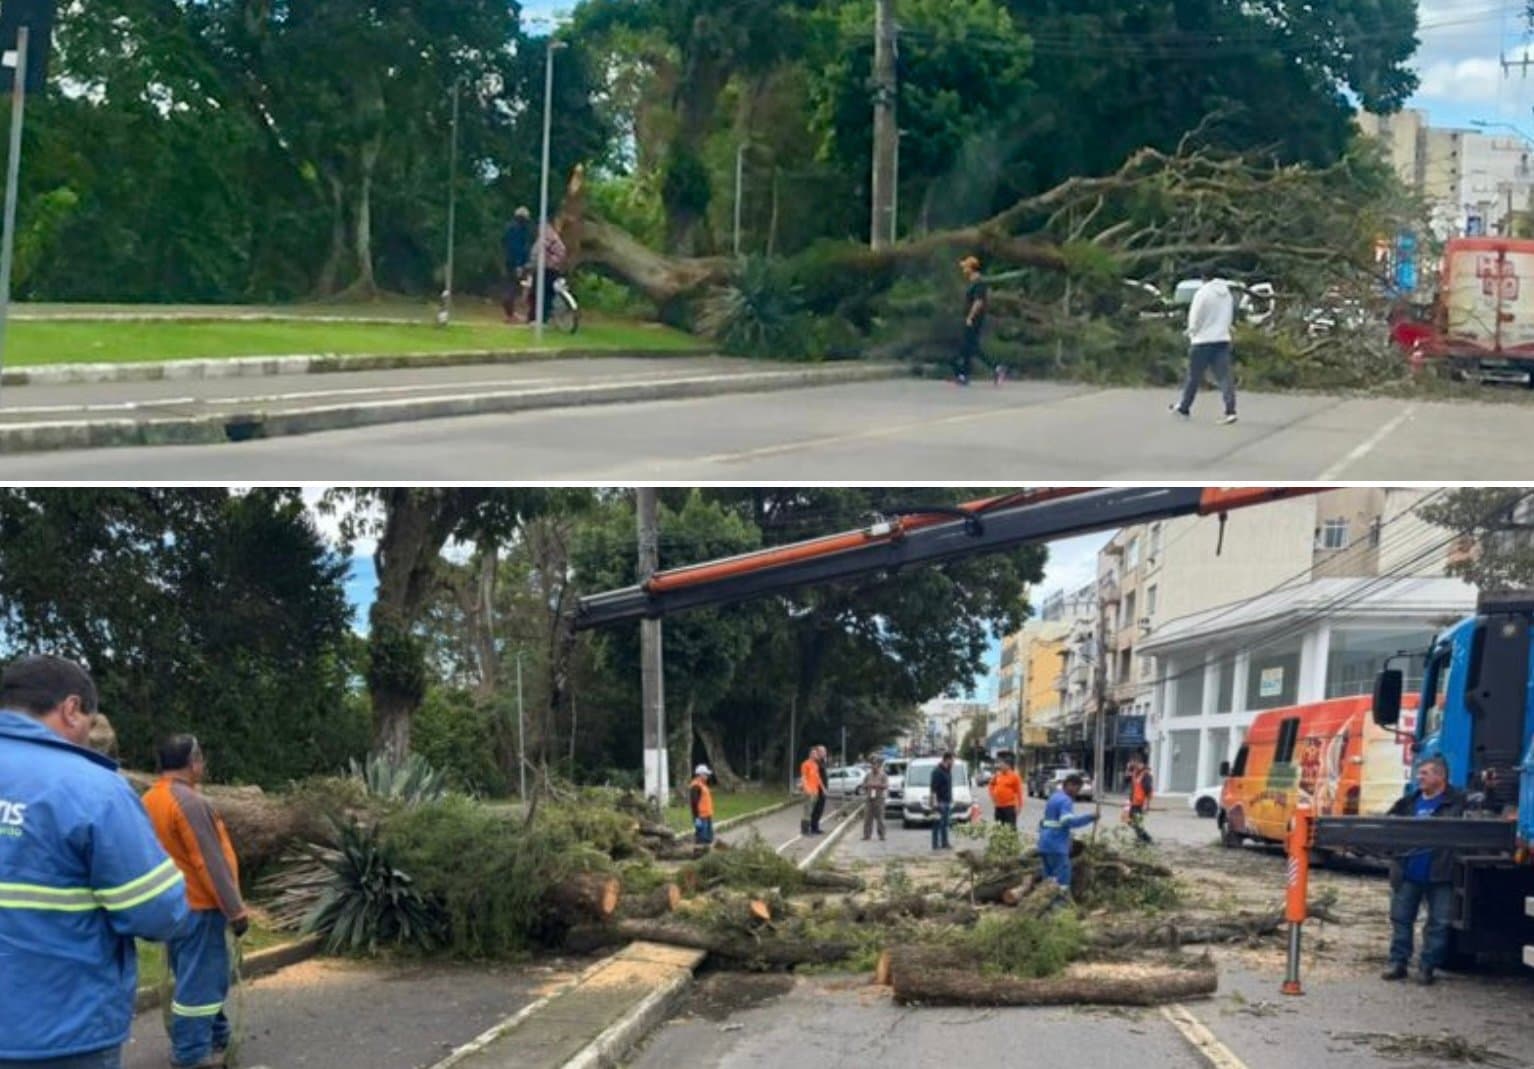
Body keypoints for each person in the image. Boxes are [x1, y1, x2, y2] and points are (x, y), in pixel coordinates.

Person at [0, 655, 190, 1069]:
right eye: (89, 721)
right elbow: (158, 912)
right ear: (71, 709)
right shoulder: (91, 788)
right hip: (61, 1032)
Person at [143, 736, 251, 1069]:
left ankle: (217, 1036)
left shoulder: (150, 799)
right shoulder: (189, 803)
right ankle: (191, 1054)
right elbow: (210, 863)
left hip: (171, 907)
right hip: (200, 907)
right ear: (194, 762)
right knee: (200, 983)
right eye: (201, 759)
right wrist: (236, 910)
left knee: (196, 976)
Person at [1381, 755, 1465, 985]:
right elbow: (1387, 827)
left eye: (1425, 773)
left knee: (1439, 923)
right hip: (1408, 873)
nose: (1419, 777)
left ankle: (1427, 966)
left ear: (1440, 776)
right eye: (1419, 773)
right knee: (1401, 919)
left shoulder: (1457, 802)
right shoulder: (1408, 802)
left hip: (1442, 874)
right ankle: (1398, 962)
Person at [1170, 277, 1238, 424]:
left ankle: (1184, 406)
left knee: (1194, 375)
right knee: (1224, 376)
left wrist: (1192, 331)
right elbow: (1229, 316)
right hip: (1222, 339)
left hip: (1202, 340)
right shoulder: (1227, 294)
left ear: (1204, 278)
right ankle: (1230, 410)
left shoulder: (1203, 293)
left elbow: (1195, 316)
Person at [1038, 773, 1099, 904]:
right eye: (1076, 788)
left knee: (1049, 877)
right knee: (1062, 878)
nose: (1076, 793)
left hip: (1044, 842)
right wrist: (1089, 818)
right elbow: (1067, 821)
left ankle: (1043, 904)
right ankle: (1059, 908)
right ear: (1069, 785)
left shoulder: (1054, 797)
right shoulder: (1066, 800)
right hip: (1056, 844)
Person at [953, 256, 1004, 386]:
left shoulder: (979, 283)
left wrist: (970, 317)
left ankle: (995, 367)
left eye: (965, 267)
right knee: (968, 347)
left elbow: (978, 302)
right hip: (970, 318)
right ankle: (964, 375)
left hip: (975, 319)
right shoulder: (972, 282)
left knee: (970, 347)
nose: (963, 270)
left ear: (972, 268)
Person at [501, 207, 535, 322]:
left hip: (509, 261)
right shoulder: (520, 230)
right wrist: (519, 265)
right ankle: (510, 314)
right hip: (517, 262)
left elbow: (504, 243)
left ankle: (510, 313)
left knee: (512, 285)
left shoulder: (509, 227)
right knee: (513, 287)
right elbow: (518, 248)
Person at [534, 221, 569, 324]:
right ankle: (542, 317)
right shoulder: (549, 238)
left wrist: (550, 261)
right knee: (544, 294)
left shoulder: (549, 238)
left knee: (544, 294)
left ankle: (543, 319)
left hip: (548, 269)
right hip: (546, 269)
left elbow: (543, 252)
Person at [988, 754, 1022, 829]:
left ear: (1008, 765)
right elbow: (991, 785)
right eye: (1000, 764)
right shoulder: (998, 775)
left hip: (1009, 807)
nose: (1000, 766)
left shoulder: (1014, 776)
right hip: (998, 807)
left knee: (1010, 828)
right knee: (998, 827)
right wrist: (992, 796)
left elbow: (1019, 792)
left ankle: (1011, 841)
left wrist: (1019, 806)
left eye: (1002, 764)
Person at [930, 752, 956, 851]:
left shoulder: (948, 770)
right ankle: (935, 845)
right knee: (937, 823)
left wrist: (951, 798)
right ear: (947, 759)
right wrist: (935, 802)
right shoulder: (937, 771)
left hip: (947, 801)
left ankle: (945, 843)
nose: (953, 762)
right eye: (952, 760)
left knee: (945, 824)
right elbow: (933, 788)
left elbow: (948, 787)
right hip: (939, 802)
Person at [1127, 757, 1154, 845]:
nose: (1134, 765)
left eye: (1136, 763)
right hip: (1133, 801)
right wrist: (1128, 768)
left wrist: (1146, 803)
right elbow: (1126, 780)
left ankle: (1146, 839)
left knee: (1136, 821)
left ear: (1141, 763)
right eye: (1133, 763)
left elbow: (1148, 789)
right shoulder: (1135, 773)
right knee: (1129, 820)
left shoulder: (1146, 775)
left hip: (1140, 803)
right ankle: (1144, 838)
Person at [862, 755, 889, 841]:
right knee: (867, 818)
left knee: (880, 818)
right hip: (869, 798)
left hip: (879, 798)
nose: (873, 767)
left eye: (875, 765)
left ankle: (882, 835)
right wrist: (867, 786)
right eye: (872, 765)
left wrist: (878, 785)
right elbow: (863, 784)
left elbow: (886, 785)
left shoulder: (883, 775)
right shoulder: (868, 775)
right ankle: (867, 835)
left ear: (879, 766)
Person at [799, 745, 825, 836]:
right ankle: (805, 831)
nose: (816, 755)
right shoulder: (805, 764)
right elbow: (803, 778)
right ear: (810, 754)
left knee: (811, 811)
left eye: (816, 754)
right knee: (807, 811)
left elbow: (818, 778)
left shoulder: (815, 765)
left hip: (815, 792)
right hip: (808, 792)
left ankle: (809, 828)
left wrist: (823, 788)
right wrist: (807, 789)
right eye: (814, 753)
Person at [688, 764, 715, 848]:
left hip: (707, 815)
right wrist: (697, 818)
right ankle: (700, 853)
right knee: (702, 838)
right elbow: (694, 802)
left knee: (709, 837)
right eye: (706, 774)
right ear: (701, 774)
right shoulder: (695, 786)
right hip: (700, 816)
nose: (707, 776)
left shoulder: (703, 785)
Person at [811, 745, 830, 834]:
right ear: (818, 752)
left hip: (823, 790)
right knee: (816, 809)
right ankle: (813, 828)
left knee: (820, 809)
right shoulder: (816, 762)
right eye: (823, 751)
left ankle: (816, 826)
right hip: (818, 790)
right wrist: (823, 789)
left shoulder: (822, 762)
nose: (825, 753)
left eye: (825, 751)